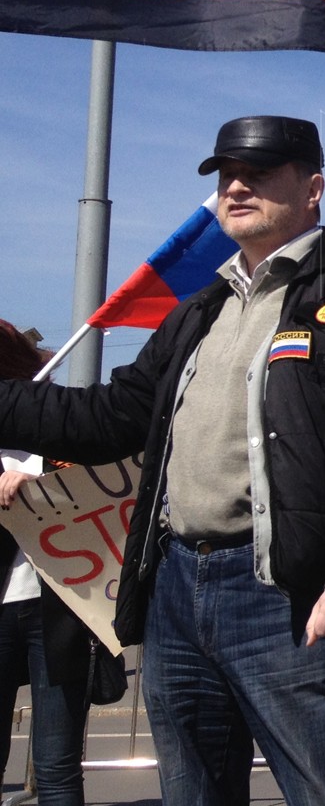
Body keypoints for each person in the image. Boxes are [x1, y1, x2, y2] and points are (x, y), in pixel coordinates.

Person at [0, 116, 325, 806]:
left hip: (285, 593)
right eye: (227, 174)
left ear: (313, 186)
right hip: (176, 589)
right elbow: (108, 418)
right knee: (192, 792)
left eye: (258, 173)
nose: (236, 187)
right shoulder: (200, 309)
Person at [0, 322, 96, 806]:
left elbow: (102, 488)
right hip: (2, 610)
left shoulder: (59, 427)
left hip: (58, 608)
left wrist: (39, 491)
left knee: (56, 765)